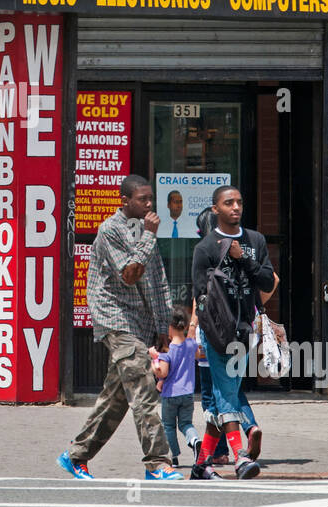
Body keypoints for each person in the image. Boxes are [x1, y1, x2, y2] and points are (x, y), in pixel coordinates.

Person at [58, 174, 180, 480]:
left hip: (139, 320)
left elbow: (156, 282)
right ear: (124, 201)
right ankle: (158, 463)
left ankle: (76, 456)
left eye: (151, 198)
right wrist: (149, 237)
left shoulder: (144, 229)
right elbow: (130, 275)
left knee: (116, 398)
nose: (150, 204)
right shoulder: (110, 229)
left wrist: (163, 325)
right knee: (143, 386)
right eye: (143, 199)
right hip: (114, 317)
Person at [190, 185, 274, 479]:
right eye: (228, 203)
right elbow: (200, 295)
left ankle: (201, 465)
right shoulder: (205, 248)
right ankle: (239, 456)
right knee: (227, 393)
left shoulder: (256, 240)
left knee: (223, 392)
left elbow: (266, 281)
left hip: (245, 331)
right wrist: (203, 333)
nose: (235, 207)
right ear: (216, 210)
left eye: (239, 202)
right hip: (217, 333)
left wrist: (244, 258)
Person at [150, 306, 202, 468]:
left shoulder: (167, 350)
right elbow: (198, 355)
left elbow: (162, 373)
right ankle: (195, 441)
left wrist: (154, 360)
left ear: (170, 328)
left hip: (170, 394)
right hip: (187, 394)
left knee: (169, 426)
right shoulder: (191, 345)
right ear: (185, 326)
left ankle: (174, 457)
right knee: (186, 424)